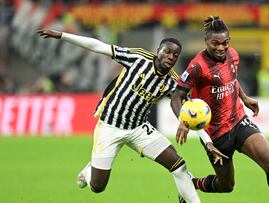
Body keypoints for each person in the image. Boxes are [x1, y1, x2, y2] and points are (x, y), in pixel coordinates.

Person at [37, 29, 208, 203]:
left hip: (138, 129)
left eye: (175, 55)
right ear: (158, 51)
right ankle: (90, 171)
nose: (171, 57)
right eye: (167, 52)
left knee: (179, 166)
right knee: (98, 187)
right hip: (110, 126)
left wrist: (207, 142)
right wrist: (62, 36)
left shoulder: (173, 82)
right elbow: (99, 46)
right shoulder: (139, 58)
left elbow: (193, 113)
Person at [170, 16, 269, 203]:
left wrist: (243, 97)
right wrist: (184, 120)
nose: (220, 48)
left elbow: (231, 78)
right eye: (215, 43)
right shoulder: (196, 66)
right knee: (226, 186)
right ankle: (190, 184)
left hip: (238, 120)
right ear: (206, 41)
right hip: (216, 134)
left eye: (224, 42)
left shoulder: (233, 54)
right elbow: (176, 98)